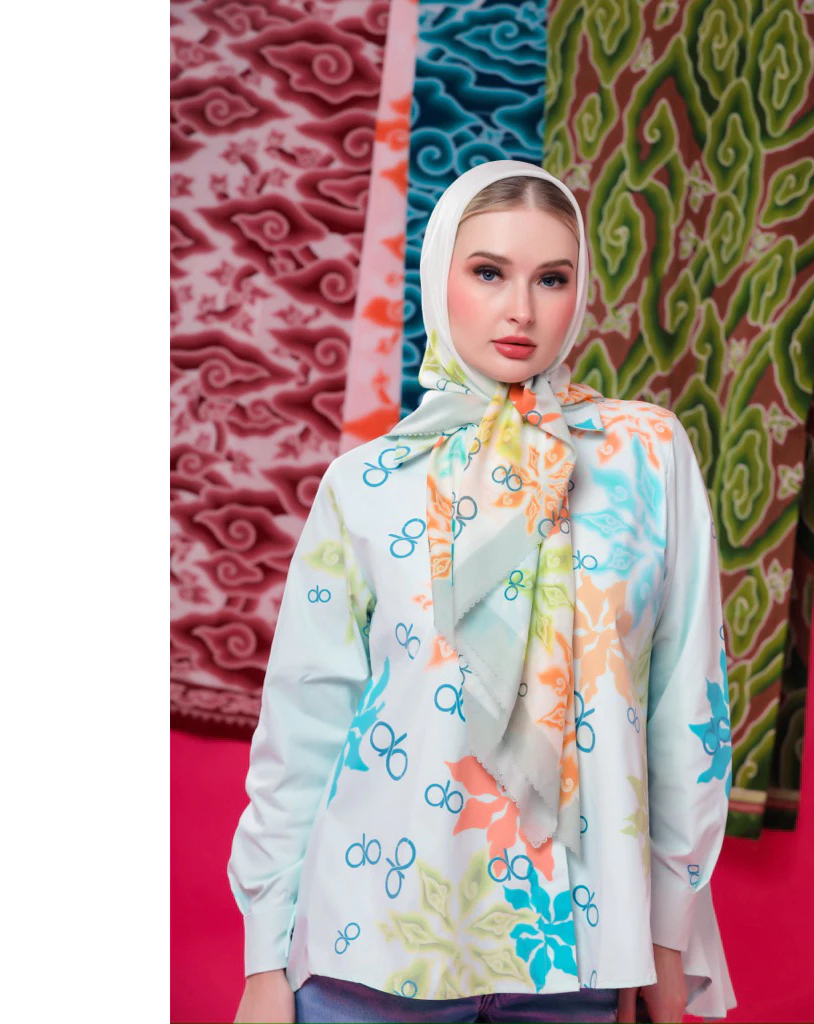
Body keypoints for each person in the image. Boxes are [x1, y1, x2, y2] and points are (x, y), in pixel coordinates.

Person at [227, 159, 736, 1023]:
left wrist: (665, 936)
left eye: (552, 279)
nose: (520, 310)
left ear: (582, 291)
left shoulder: (647, 456)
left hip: (576, 949)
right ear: (441, 278)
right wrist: (263, 960)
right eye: (490, 272)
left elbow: (689, 710)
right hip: (372, 945)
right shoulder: (369, 482)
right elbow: (302, 731)